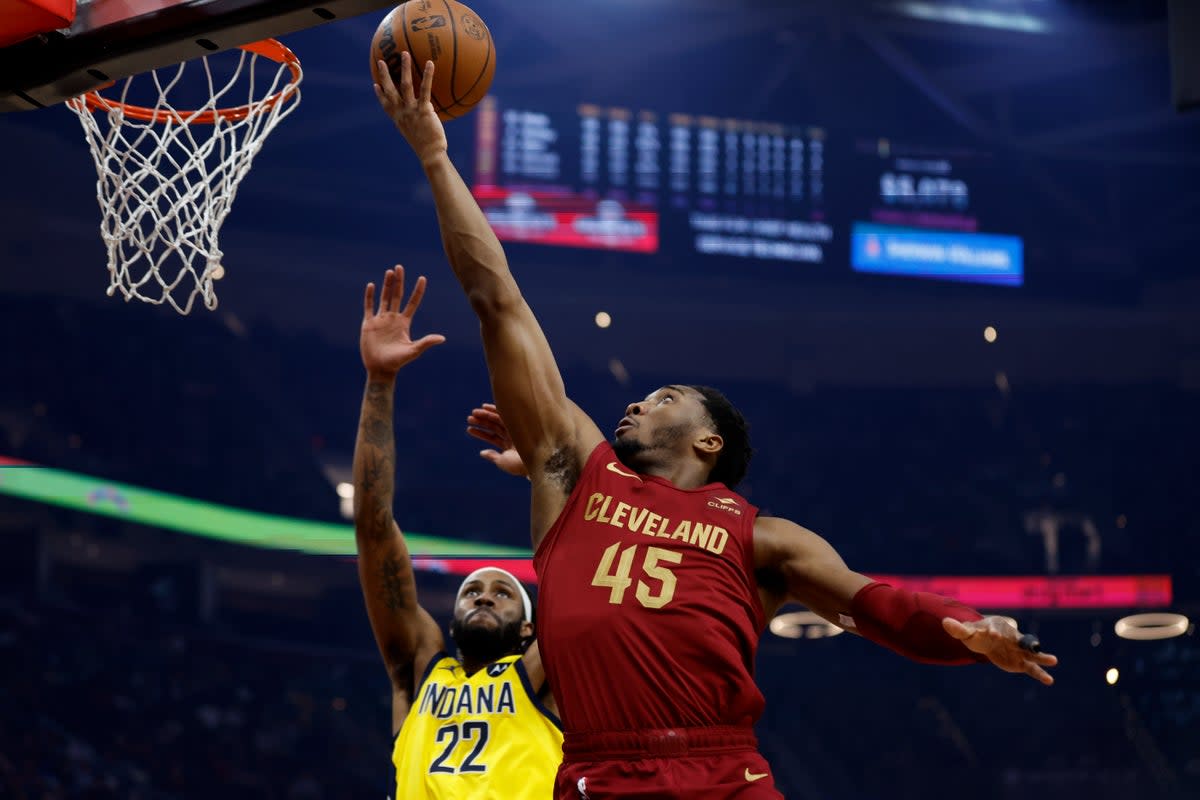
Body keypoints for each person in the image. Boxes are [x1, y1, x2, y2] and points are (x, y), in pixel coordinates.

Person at [375, 54, 1059, 799]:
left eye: (664, 398)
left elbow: (876, 605)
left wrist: (967, 627)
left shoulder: (764, 536)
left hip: (723, 769)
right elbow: (496, 298)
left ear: (710, 441)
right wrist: (437, 156)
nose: (634, 405)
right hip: (597, 770)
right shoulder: (575, 473)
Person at [352, 265, 562, 799]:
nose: (484, 595)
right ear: (450, 615)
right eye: (472, 590)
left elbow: (574, 562)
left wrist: (542, 467)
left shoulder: (546, 672)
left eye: (502, 593)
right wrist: (380, 383)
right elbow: (374, 528)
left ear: (528, 632)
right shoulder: (420, 669)